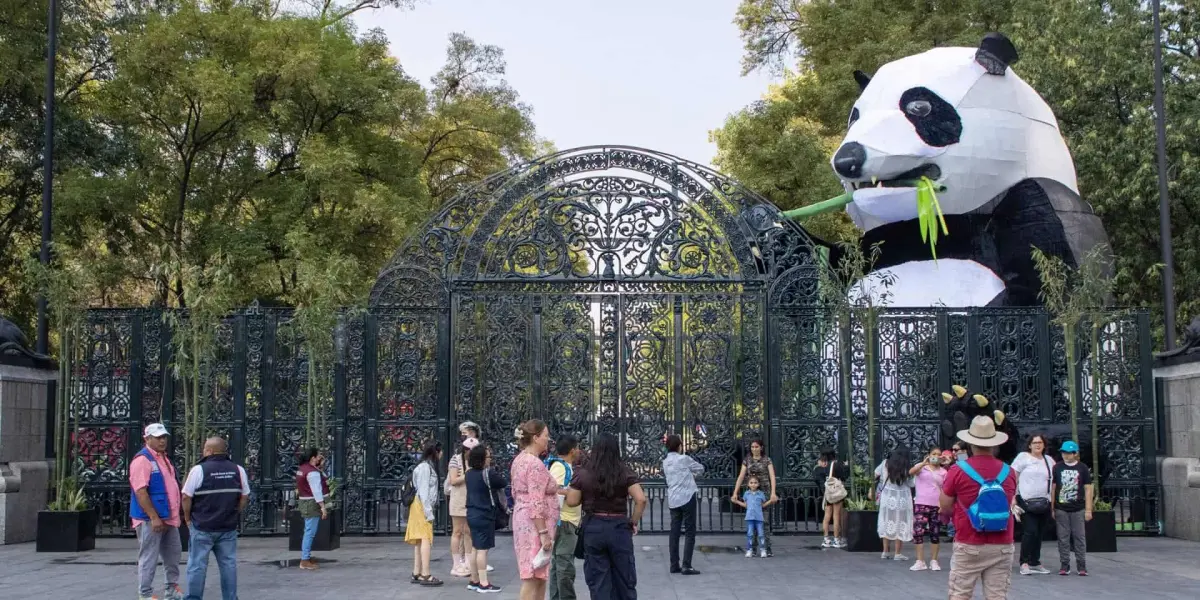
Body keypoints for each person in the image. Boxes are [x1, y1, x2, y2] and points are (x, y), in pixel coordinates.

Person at [941, 415, 1018, 600]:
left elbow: (944, 506)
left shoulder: (957, 470)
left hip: (969, 540)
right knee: (997, 596)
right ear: (994, 444)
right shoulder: (1010, 472)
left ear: (970, 444)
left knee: (960, 594)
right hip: (1002, 543)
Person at [566, 433, 647, 600]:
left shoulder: (584, 473)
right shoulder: (625, 472)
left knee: (598, 579)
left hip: (594, 527)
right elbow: (641, 499)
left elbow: (572, 501)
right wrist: (633, 521)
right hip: (618, 527)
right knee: (625, 578)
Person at [181, 437, 250, 600]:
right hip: (227, 527)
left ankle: (193, 598)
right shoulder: (238, 469)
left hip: (202, 526)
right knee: (228, 565)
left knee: (197, 566)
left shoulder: (199, 470)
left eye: (205, 448)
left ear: (209, 451)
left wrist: (187, 518)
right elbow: (245, 496)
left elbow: (186, 496)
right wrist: (235, 512)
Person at [129, 423, 184, 600]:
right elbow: (140, 491)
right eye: (158, 437)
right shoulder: (142, 460)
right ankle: (144, 594)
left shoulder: (163, 458)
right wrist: (153, 517)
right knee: (149, 556)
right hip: (150, 519)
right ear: (147, 439)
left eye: (164, 437)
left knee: (173, 554)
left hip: (168, 516)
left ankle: (171, 588)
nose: (162, 440)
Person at [510, 419, 560, 600]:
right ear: (536, 437)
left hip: (524, 518)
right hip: (534, 524)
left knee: (537, 573)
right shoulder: (535, 464)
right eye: (546, 436)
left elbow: (515, 492)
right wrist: (544, 532)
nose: (548, 439)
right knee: (532, 574)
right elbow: (537, 501)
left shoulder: (519, 460)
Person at [1012, 434, 1056, 575]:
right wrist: (1012, 498)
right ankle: (1024, 562)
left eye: (1040, 442)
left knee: (1039, 533)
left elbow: (1053, 482)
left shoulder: (1049, 461)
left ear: (1044, 445)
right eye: (1035, 442)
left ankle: (1035, 561)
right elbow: (1013, 478)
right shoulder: (1023, 457)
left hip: (1044, 501)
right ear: (1029, 445)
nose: (1037, 445)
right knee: (1029, 532)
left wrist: (1052, 503)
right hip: (1026, 500)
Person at [465, 444, 506, 593]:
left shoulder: (468, 473)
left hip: (471, 512)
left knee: (475, 547)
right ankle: (483, 583)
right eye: (488, 457)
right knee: (482, 550)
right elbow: (503, 482)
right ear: (482, 459)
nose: (490, 459)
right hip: (485, 514)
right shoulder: (488, 473)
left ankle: (474, 579)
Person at [662, 434, 703, 574]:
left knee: (674, 532)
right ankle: (686, 565)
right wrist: (692, 476)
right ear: (679, 446)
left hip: (673, 499)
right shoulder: (684, 459)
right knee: (690, 531)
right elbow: (700, 468)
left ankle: (674, 564)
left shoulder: (665, 462)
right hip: (687, 496)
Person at [549, 434, 584, 598]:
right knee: (564, 564)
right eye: (577, 448)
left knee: (559, 563)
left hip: (565, 520)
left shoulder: (562, 466)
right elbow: (553, 491)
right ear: (572, 450)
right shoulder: (561, 467)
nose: (579, 451)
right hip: (565, 521)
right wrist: (571, 493)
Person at [1052, 440, 1093, 576]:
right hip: (1061, 507)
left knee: (1079, 537)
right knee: (1063, 537)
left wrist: (1088, 509)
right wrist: (1052, 508)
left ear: (1075, 454)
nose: (1066, 455)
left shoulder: (1082, 468)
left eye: (1069, 453)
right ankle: (1065, 564)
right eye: (1064, 452)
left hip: (1078, 508)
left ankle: (1082, 565)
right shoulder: (1057, 467)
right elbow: (1053, 488)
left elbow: (1088, 489)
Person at [406, 439, 443, 586]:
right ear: (435, 452)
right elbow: (423, 492)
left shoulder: (424, 467)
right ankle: (426, 573)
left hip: (419, 505)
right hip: (422, 506)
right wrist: (429, 513)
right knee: (426, 538)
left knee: (420, 540)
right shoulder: (425, 468)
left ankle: (417, 571)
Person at [732, 439, 777, 556]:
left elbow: (772, 476)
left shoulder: (767, 460)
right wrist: (735, 492)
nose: (754, 449)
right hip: (751, 492)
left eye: (756, 447)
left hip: (764, 493)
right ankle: (753, 548)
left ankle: (766, 548)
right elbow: (741, 476)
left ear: (761, 447)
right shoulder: (747, 460)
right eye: (752, 447)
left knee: (764, 521)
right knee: (752, 520)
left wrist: (773, 493)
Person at [908, 446, 948, 571]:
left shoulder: (943, 472)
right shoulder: (922, 467)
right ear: (929, 455)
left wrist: (942, 504)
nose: (936, 456)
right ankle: (920, 560)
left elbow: (945, 489)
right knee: (918, 532)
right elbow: (911, 472)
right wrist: (924, 463)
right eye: (933, 454)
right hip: (921, 503)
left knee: (935, 532)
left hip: (936, 504)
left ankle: (934, 560)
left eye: (938, 454)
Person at [447, 435, 481, 577]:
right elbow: (453, 480)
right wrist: (467, 475)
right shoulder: (455, 460)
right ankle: (456, 564)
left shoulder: (476, 461)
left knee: (469, 532)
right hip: (458, 500)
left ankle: (468, 561)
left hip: (471, 500)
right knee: (457, 532)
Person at [876, 447, 916, 560]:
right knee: (900, 523)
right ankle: (897, 553)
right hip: (902, 497)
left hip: (887, 496)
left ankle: (885, 551)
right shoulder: (906, 467)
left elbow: (876, 473)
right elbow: (911, 483)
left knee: (887, 521)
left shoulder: (885, 463)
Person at [294, 447, 330, 570]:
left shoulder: (302, 469)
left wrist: (319, 466)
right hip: (311, 502)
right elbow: (317, 491)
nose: (319, 458)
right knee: (310, 532)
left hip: (304, 501)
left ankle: (306, 556)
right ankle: (304, 559)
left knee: (308, 530)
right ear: (312, 458)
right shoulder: (312, 472)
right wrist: (323, 507)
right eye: (317, 456)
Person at [815, 447, 850, 549]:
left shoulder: (822, 465)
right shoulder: (836, 465)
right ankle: (836, 539)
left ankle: (826, 539)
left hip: (827, 493)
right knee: (836, 516)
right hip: (836, 493)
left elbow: (818, 478)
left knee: (827, 516)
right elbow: (843, 476)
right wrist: (846, 466)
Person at [732, 476, 774, 557]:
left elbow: (762, 505)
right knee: (750, 534)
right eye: (751, 483)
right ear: (748, 484)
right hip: (749, 517)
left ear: (758, 484)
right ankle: (749, 550)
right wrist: (736, 501)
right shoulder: (746, 494)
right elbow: (746, 505)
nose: (753, 485)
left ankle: (763, 550)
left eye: (755, 483)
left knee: (761, 534)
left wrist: (770, 501)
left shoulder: (761, 494)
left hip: (759, 517)